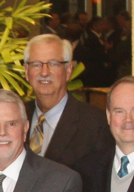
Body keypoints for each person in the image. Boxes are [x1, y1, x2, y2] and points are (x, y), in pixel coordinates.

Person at [23, 32, 109, 169]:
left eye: (53, 63)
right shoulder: (16, 118)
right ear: (26, 71)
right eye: (36, 64)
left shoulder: (96, 125)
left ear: (68, 70)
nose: (44, 72)